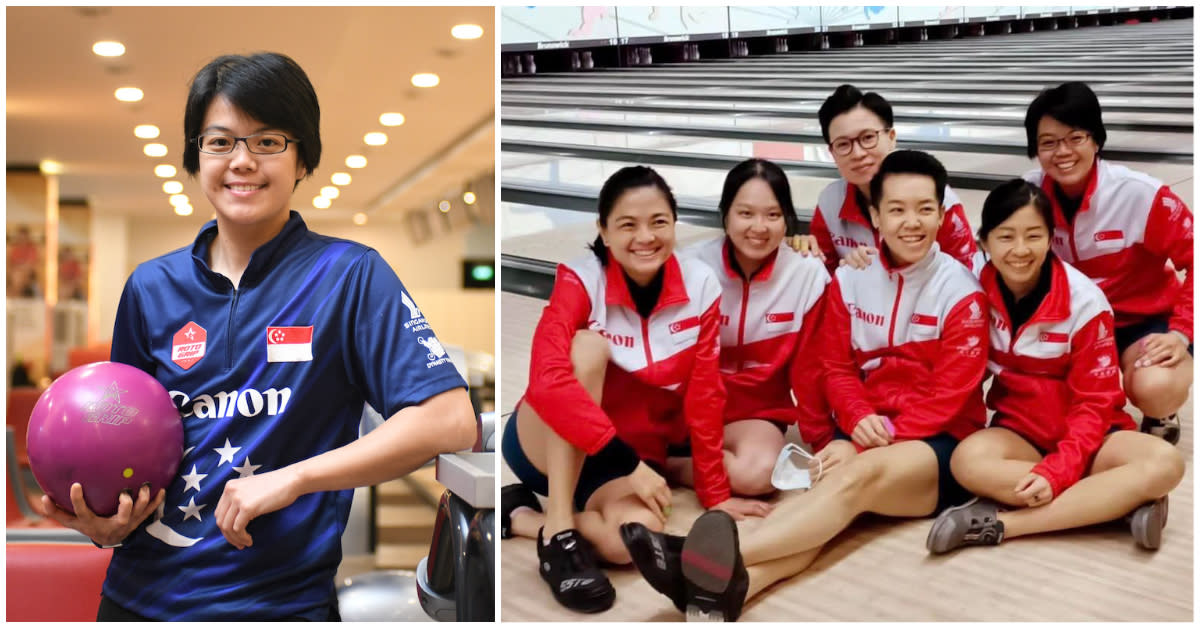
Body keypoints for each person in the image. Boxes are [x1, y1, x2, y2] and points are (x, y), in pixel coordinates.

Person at [35, 52, 478, 621]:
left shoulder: (348, 276)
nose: (241, 161)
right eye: (219, 142)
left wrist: (293, 479)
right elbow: (120, 443)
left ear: (302, 159)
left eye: (267, 141)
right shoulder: (151, 288)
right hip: (141, 601)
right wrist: (105, 521)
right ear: (197, 157)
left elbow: (450, 419)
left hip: (282, 604)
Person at [622, 150, 988, 621]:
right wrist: (855, 421)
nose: (910, 222)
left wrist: (870, 440)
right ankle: (734, 590)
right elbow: (834, 367)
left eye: (924, 209)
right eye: (896, 209)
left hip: (937, 443)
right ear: (875, 215)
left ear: (942, 213)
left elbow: (948, 398)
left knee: (852, 481)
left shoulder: (962, 292)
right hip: (864, 431)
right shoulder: (852, 278)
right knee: (828, 514)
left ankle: (696, 557)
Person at [498, 165, 767, 614]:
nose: (646, 236)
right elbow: (547, 383)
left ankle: (523, 519)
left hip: (621, 459)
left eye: (658, 222)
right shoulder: (581, 280)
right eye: (628, 224)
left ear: (674, 224)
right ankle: (560, 530)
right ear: (603, 231)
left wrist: (716, 495)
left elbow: (704, 395)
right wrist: (625, 461)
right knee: (585, 348)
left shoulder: (700, 286)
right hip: (544, 441)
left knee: (628, 543)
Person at [926, 179, 1184, 554]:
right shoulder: (972, 292)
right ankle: (1114, 503)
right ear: (984, 242)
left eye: (1033, 235)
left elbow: (1094, 405)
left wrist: (1058, 471)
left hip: (1094, 438)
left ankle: (1004, 524)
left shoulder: (1085, 303)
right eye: (1005, 237)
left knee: (1166, 463)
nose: (1019, 250)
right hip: (1021, 434)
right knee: (966, 462)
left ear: (1050, 239)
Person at [1022, 81, 1192, 444]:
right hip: (1071, 326)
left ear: (1096, 140)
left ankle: (1160, 409)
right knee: (1044, 408)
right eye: (1048, 142)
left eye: (1075, 138)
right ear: (1035, 149)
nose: (1062, 152)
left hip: (1140, 322)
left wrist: (1181, 333)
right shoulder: (1026, 199)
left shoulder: (1140, 195)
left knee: (1154, 384)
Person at [664, 158, 833, 495]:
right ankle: (667, 452)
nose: (759, 227)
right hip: (687, 407)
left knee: (758, 475)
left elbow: (811, 370)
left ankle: (667, 465)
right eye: (745, 213)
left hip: (755, 415)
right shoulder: (691, 267)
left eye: (773, 215)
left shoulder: (807, 274)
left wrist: (823, 442)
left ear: (787, 219)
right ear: (725, 214)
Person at [809, 84, 978, 272]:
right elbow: (823, 272)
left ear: (891, 137)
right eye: (843, 144)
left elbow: (964, 275)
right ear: (832, 153)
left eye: (867, 138)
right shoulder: (830, 201)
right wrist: (845, 275)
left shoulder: (936, 199)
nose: (857, 153)